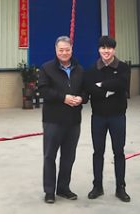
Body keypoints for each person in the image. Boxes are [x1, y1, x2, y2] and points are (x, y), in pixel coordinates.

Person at [83, 36, 132, 203]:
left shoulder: (123, 67)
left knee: (119, 152)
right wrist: (108, 89)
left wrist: (101, 85)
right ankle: (97, 186)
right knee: (98, 152)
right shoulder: (91, 70)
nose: (106, 51)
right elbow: (90, 89)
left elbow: (122, 85)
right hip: (98, 117)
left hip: (118, 116)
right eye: (103, 48)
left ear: (114, 50)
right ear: (99, 50)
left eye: (109, 48)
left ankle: (120, 188)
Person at [37, 36, 85, 204]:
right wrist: (63, 98)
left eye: (67, 50)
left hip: (73, 121)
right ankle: (49, 191)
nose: (64, 53)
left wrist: (81, 98)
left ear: (72, 49)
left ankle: (63, 188)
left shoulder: (79, 69)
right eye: (61, 50)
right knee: (50, 156)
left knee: (68, 157)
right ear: (56, 50)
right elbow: (43, 90)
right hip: (53, 120)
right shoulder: (47, 68)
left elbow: (85, 90)